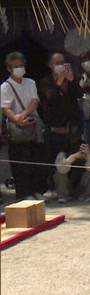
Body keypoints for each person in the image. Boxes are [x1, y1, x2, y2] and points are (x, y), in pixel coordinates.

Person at [1, 52, 48, 200]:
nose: (19, 69)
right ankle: (23, 193)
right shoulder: (5, 86)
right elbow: (5, 108)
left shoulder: (30, 82)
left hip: (32, 122)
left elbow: (35, 101)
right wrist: (16, 119)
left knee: (36, 159)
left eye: (21, 66)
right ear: (9, 68)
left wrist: (24, 114)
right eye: (15, 67)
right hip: (17, 128)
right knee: (20, 161)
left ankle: (36, 190)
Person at [38, 52, 83, 191]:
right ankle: (54, 188)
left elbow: (80, 95)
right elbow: (50, 99)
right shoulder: (45, 82)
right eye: (57, 63)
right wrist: (59, 82)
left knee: (73, 160)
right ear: (50, 65)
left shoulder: (71, 79)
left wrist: (71, 80)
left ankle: (73, 189)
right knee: (54, 160)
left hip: (71, 129)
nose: (60, 65)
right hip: (54, 129)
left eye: (62, 62)